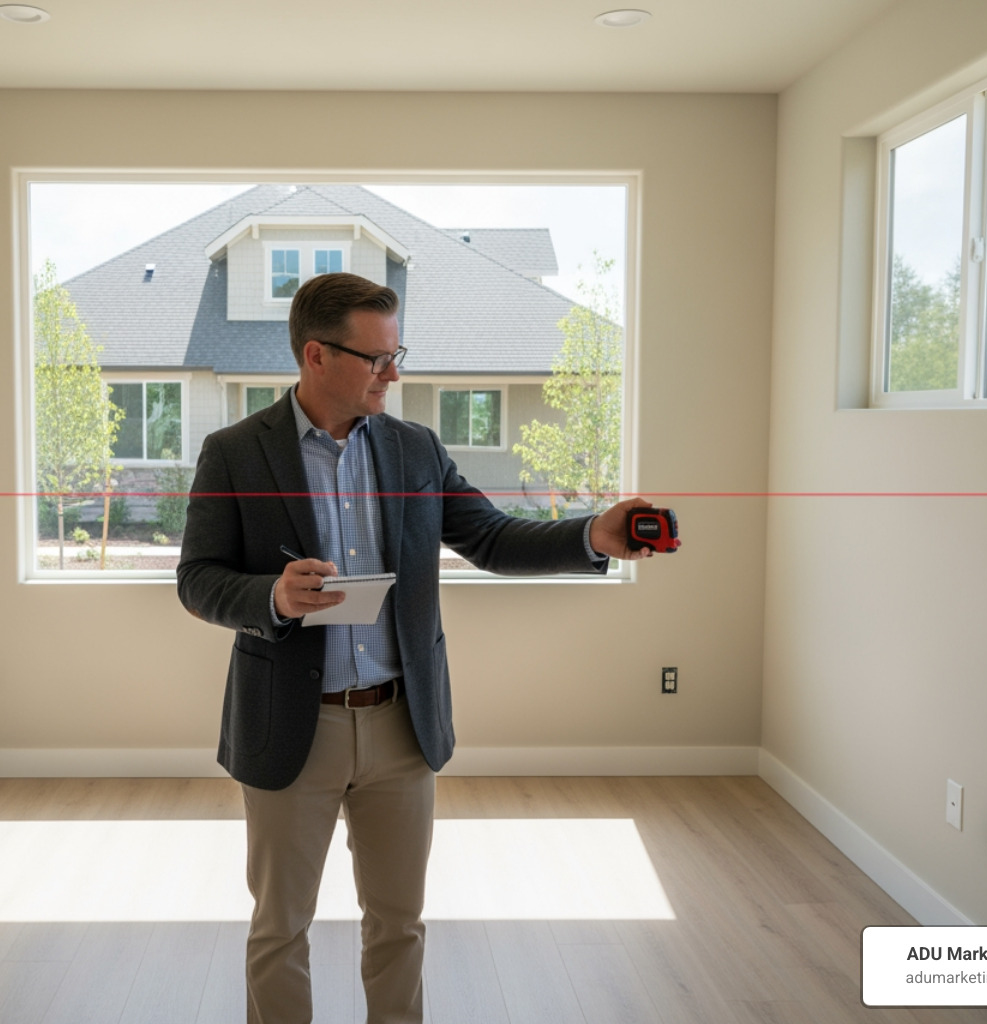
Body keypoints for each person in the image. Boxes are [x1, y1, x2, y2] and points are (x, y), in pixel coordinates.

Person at [176, 272, 654, 1024]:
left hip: (403, 727)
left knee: (398, 927)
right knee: (280, 930)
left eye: (398, 354)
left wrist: (593, 534)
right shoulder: (235, 452)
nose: (393, 372)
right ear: (315, 356)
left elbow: (492, 537)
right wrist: (272, 595)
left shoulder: (415, 449)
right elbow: (197, 579)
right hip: (291, 728)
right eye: (377, 358)